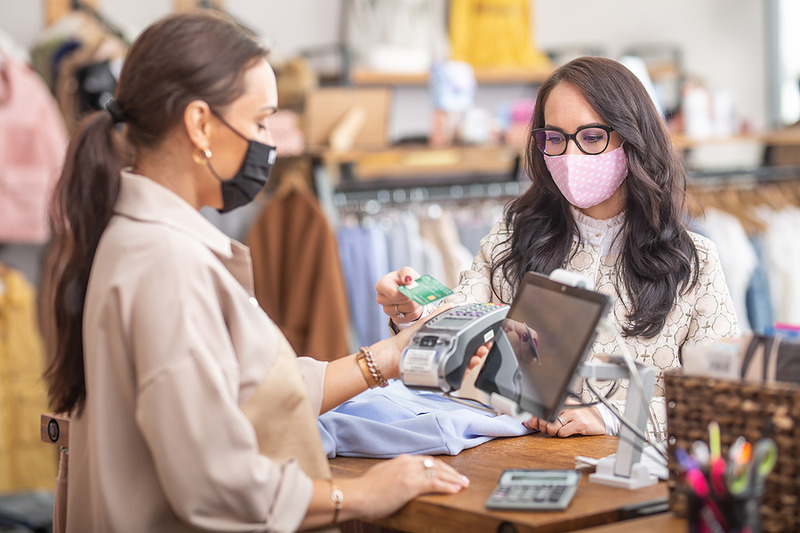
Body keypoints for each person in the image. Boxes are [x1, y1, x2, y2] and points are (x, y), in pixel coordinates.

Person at [40, 12, 468, 533]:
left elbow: (250, 392)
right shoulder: (166, 265)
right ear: (200, 124)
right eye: (261, 121)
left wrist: (389, 357)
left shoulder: (139, 237)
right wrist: (357, 495)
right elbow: (217, 484)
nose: (271, 143)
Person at [376, 56, 739, 441]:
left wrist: (610, 418)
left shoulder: (693, 262)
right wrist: (413, 313)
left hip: (631, 480)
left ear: (633, 138)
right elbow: (461, 323)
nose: (570, 156)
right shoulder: (512, 237)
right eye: (554, 138)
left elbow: (721, 400)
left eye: (592, 137)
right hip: (512, 467)